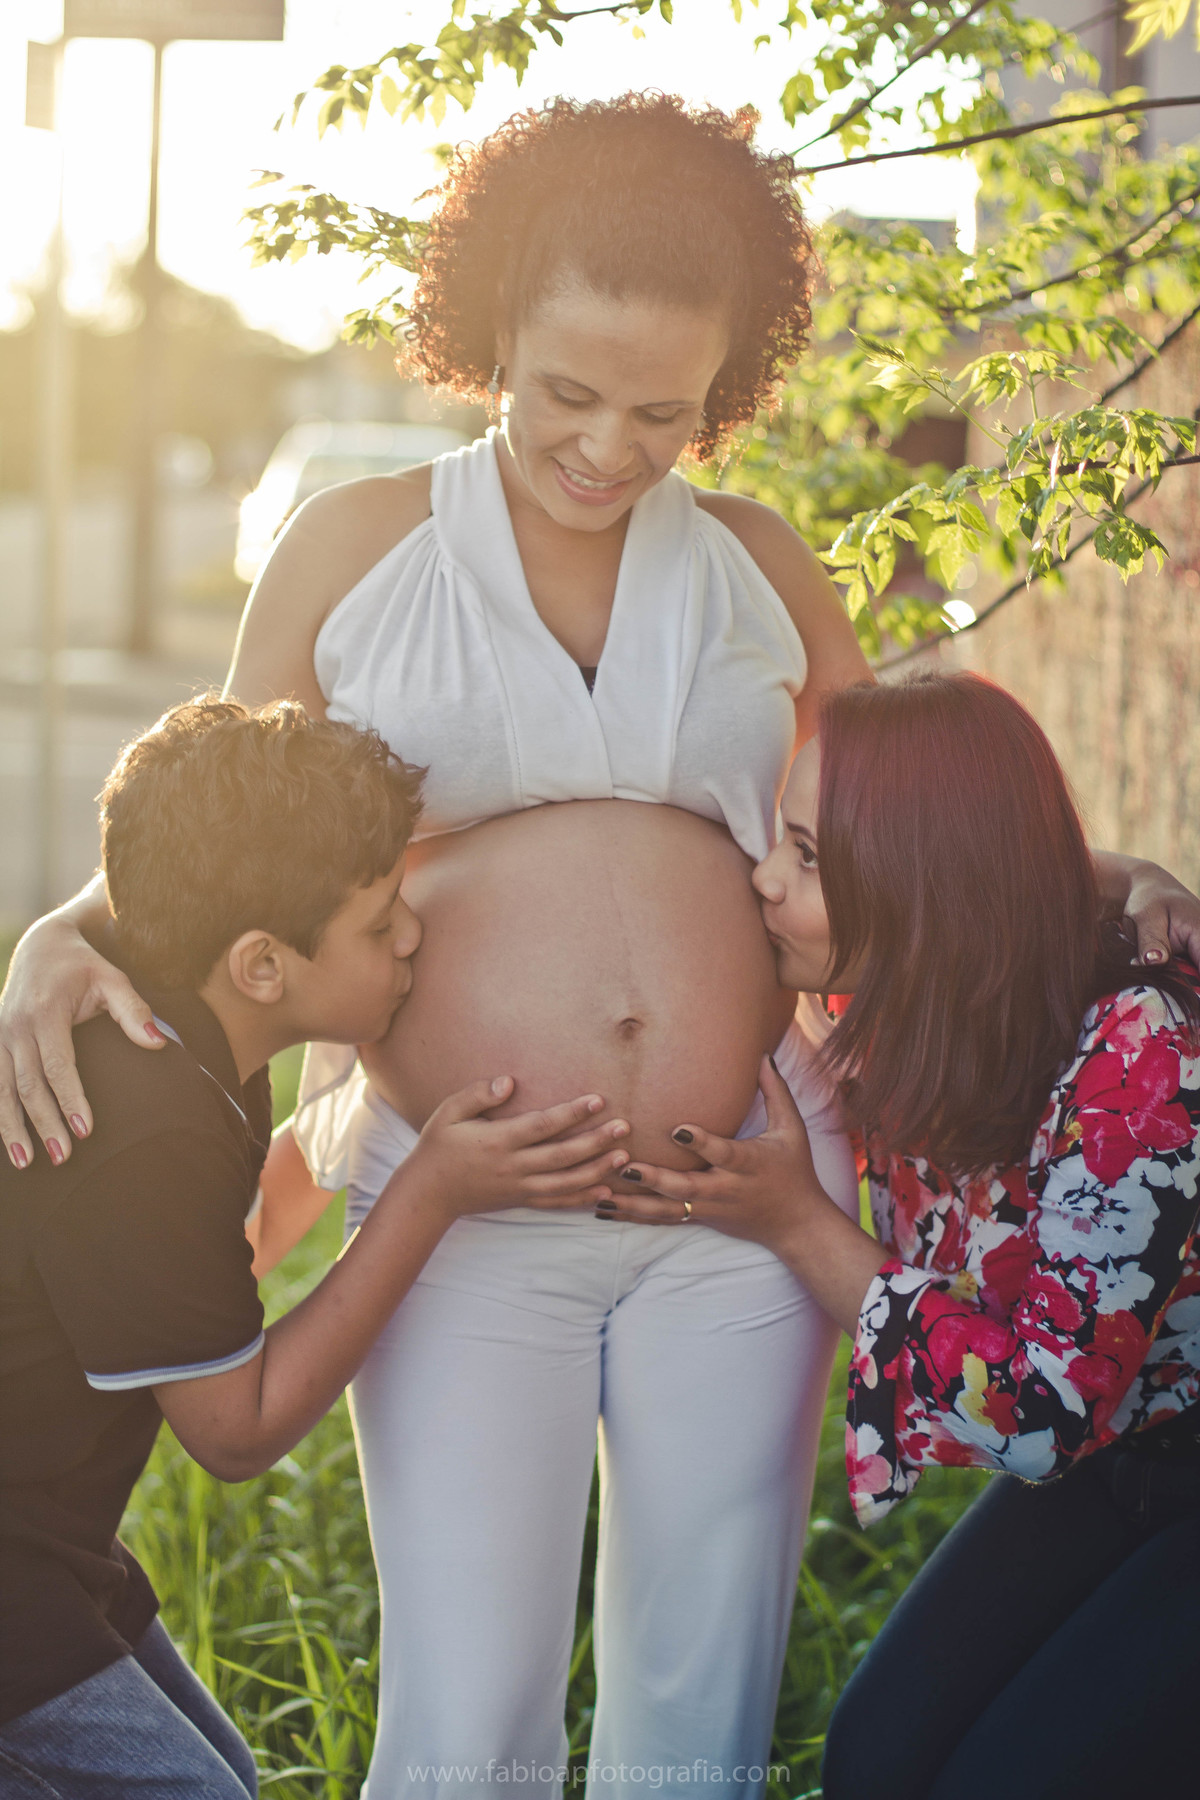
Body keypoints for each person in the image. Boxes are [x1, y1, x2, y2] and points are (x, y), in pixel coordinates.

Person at [0, 96, 1195, 1798]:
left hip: (742, 1199)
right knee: (465, 1723)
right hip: (462, 1200)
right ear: (485, 330)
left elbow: (904, 844)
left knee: (698, 1713)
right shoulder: (353, 553)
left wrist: (1106, 877)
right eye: (566, 393)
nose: (608, 449)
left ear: (733, 384)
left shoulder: (762, 569)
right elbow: (214, 839)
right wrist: (58, 934)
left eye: (665, 410)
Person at [0, 698, 629, 1800]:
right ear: (261, 966)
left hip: (49, 1537)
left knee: (227, 1770)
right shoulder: (143, 1122)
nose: (412, 936)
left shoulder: (181, 1020)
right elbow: (235, 1431)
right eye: (380, 920)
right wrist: (428, 1194)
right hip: (14, 1564)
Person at [602, 672, 1200, 1800]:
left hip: (1134, 1445)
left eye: (808, 855)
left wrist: (795, 1221)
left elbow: (1041, 1409)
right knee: (876, 1759)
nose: (765, 880)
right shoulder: (922, 992)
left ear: (922, 887)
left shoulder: (1138, 1053)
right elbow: (1025, 869)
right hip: (1120, 1461)